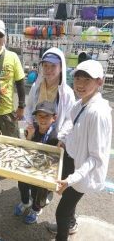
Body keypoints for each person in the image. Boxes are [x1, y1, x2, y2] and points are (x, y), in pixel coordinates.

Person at [47, 60, 112, 241]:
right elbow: (70, 120)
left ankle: (62, 236)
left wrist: (71, 179)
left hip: (82, 171)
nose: (80, 84)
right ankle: (72, 223)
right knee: (69, 205)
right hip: (73, 160)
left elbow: (96, 158)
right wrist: (63, 139)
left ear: (99, 82)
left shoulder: (97, 112)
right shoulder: (82, 102)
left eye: (87, 80)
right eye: (77, 78)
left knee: (62, 211)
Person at [14, 101, 58, 224]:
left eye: (46, 116)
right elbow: (25, 146)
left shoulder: (55, 136)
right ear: (35, 117)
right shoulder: (31, 128)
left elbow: (55, 158)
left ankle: (36, 209)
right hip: (29, 165)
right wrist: (29, 136)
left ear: (54, 118)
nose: (42, 119)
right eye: (39, 116)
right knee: (22, 184)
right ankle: (25, 202)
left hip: (43, 171)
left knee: (37, 192)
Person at [25, 47, 75, 145]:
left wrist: (61, 136)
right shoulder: (36, 86)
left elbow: (70, 118)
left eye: (53, 66)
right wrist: (30, 125)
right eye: (46, 65)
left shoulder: (67, 93)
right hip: (36, 132)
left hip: (55, 137)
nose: (49, 70)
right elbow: (30, 107)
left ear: (61, 68)